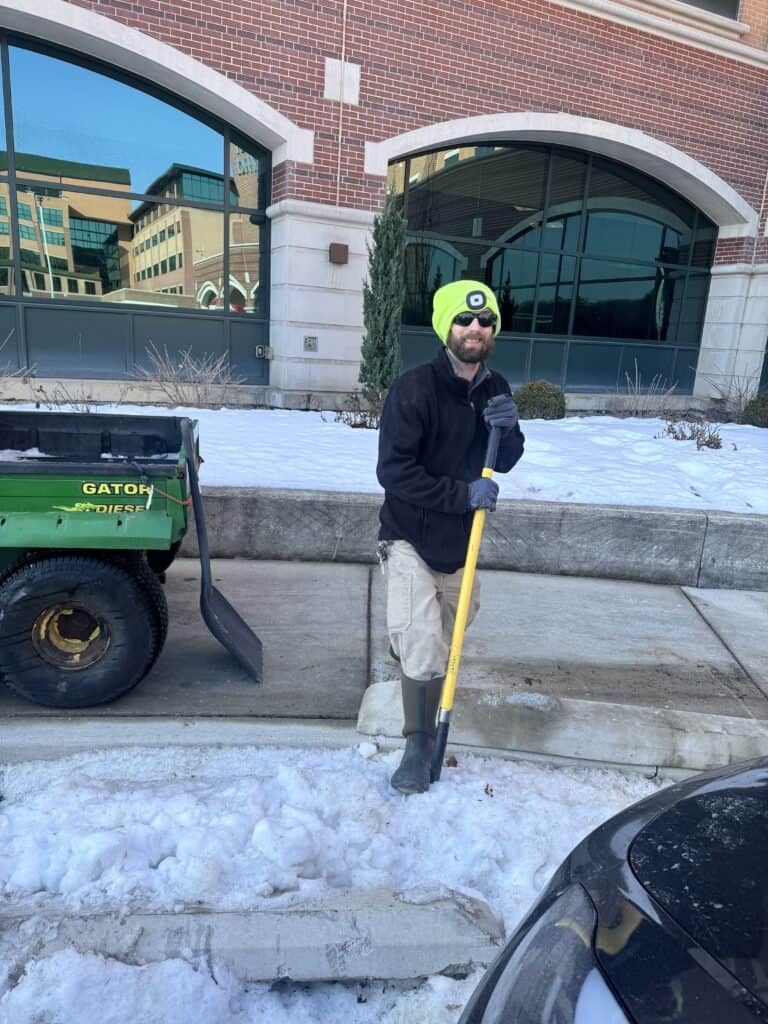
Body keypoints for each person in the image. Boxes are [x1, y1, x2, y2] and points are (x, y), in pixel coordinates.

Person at [377, 279, 525, 795]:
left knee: (446, 638)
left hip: (461, 545)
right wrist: (463, 495)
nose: (475, 329)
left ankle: (415, 665)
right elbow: (394, 472)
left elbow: (503, 458)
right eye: (465, 320)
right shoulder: (413, 389)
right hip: (409, 539)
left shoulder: (495, 386)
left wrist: (509, 429)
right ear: (446, 327)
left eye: (485, 322)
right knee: (420, 644)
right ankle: (418, 743)